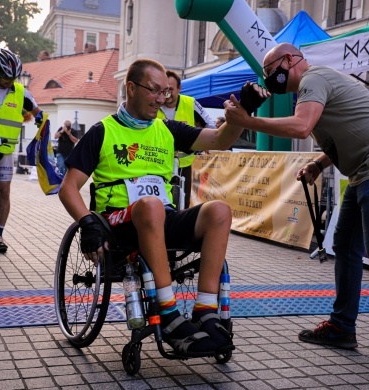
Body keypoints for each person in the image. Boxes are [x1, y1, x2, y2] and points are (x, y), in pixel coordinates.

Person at [59, 58, 245, 357]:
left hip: (160, 217)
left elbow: (221, 139)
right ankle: (168, 312)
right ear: (131, 88)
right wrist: (87, 223)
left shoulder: (167, 129)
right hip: (118, 223)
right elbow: (68, 188)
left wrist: (240, 116)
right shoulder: (102, 131)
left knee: (219, 210)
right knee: (150, 205)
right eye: (154, 90)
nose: (162, 98)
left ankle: (206, 311)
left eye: (166, 92)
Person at [224, 42, 369, 350]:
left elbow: (302, 127)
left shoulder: (313, 78)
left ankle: (341, 325)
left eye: (270, 71)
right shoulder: (314, 87)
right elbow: (349, 128)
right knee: (345, 246)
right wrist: (319, 163)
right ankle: (341, 327)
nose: (268, 78)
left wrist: (248, 122)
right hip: (363, 171)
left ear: (289, 59)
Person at [0, 48, 42, 253]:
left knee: (4, 192)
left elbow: (39, 115)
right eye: (6, 78)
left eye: (13, 78)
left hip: (4, 149)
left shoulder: (21, 92)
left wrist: (41, 130)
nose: (10, 81)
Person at [157, 70, 215, 208]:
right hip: (158, 162)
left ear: (179, 88)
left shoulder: (190, 102)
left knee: (183, 201)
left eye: (171, 89)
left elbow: (210, 123)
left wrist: (205, 141)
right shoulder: (156, 103)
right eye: (165, 90)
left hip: (184, 162)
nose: (168, 94)